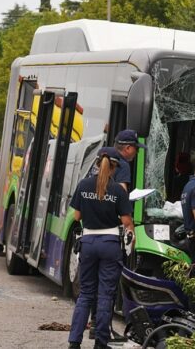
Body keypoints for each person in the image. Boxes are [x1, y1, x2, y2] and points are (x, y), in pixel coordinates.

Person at [67, 147, 134, 349]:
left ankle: (74, 342)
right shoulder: (118, 191)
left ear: (97, 163)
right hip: (110, 244)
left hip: (88, 243)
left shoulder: (84, 185)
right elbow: (126, 221)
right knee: (105, 294)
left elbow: (77, 217)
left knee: (86, 293)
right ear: (114, 167)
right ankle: (101, 342)